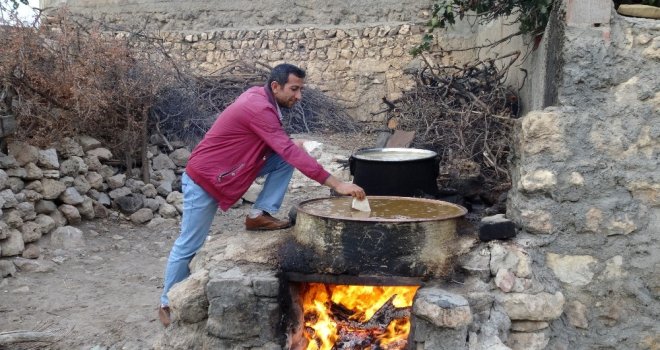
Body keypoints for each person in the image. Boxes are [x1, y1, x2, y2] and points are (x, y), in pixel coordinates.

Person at [158, 63, 366, 327]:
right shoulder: (257, 106)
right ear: (275, 86)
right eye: (294, 89)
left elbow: (280, 147)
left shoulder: (264, 100)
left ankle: (259, 214)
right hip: (205, 179)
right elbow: (287, 149)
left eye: (301, 89)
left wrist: (292, 147)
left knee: (287, 155)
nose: (299, 96)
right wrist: (337, 184)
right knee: (189, 243)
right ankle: (166, 302)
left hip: (231, 171)